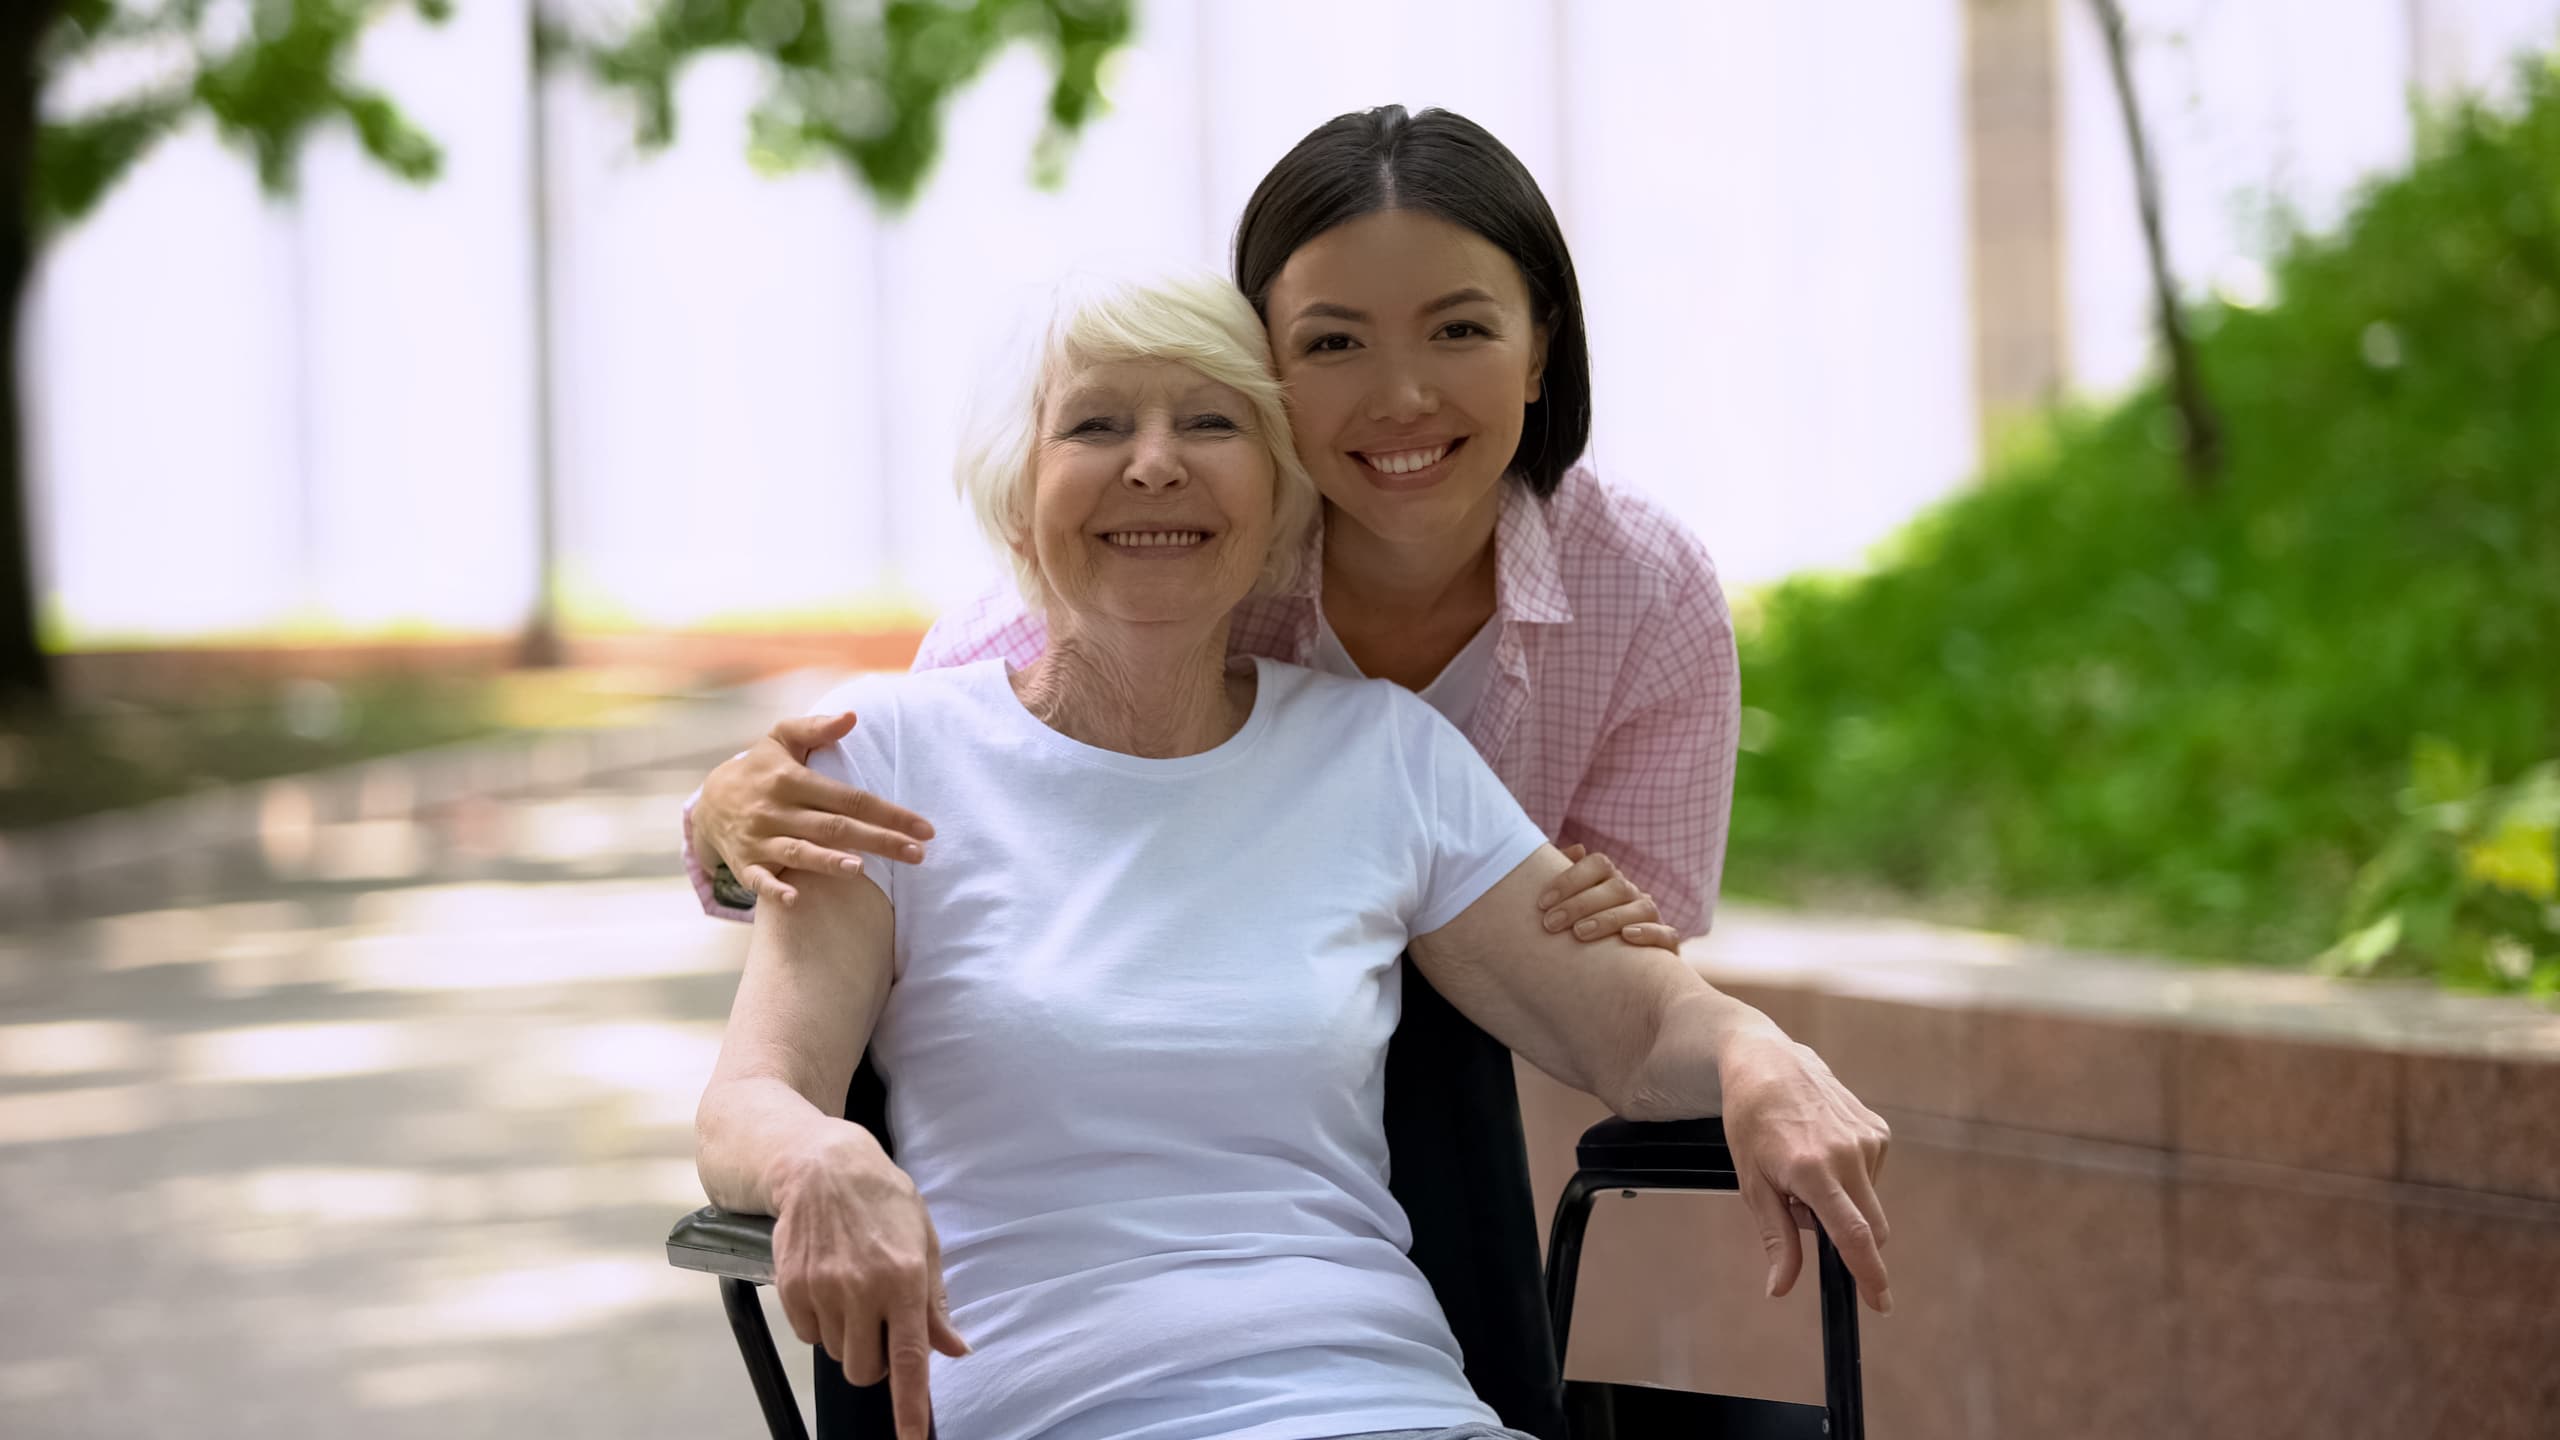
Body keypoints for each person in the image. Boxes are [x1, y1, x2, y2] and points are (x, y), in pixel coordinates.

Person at [694, 266, 1891, 1440]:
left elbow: (1631, 1029)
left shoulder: (1382, 757)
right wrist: (816, 1158)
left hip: (1395, 1404)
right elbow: (754, 1094)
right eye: (1096, 423)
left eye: (1209, 421)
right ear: (1018, 497)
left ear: (1279, 501)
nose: (1153, 460)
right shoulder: (888, 756)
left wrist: (1754, 1054)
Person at [682, 104, 1736, 962]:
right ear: (1260, 366)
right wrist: (725, 831)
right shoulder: (1186, 548)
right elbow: (907, 792)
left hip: (1475, 1121)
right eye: (1333, 343)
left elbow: (1633, 955)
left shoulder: (1644, 589)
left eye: (1460, 331)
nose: (1403, 395)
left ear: (1541, 349)